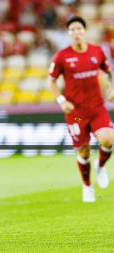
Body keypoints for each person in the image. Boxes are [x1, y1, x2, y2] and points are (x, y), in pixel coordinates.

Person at [48, 16, 114, 203]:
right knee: (83, 152)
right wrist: (61, 100)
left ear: (85, 31)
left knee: (108, 140)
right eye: (72, 30)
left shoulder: (97, 51)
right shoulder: (62, 56)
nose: (76, 32)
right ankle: (87, 186)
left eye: (79, 29)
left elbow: (109, 71)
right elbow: (51, 80)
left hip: (96, 107)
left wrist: (111, 88)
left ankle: (100, 166)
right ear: (68, 34)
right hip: (75, 113)